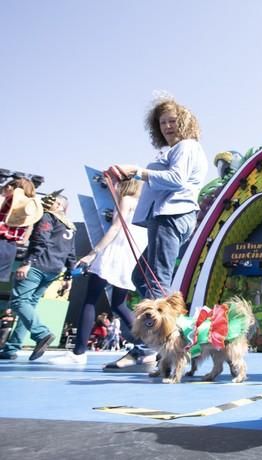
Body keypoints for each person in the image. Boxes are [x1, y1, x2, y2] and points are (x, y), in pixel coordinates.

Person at [102, 96, 208, 372]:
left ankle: (151, 348)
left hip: (171, 216)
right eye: (162, 123)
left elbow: (177, 179)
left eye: (173, 121)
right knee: (141, 277)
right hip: (168, 217)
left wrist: (138, 171)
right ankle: (159, 343)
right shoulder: (177, 150)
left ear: (184, 123)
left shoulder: (186, 147)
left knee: (157, 282)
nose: (167, 127)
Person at [48, 179, 147, 366]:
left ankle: (78, 353)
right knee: (119, 304)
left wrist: (92, 253)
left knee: (90, 299)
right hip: (129, 256)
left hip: (114, 252)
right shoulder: (143, 205)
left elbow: (116, 227)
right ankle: (147, 344)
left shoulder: (125, 199)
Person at [0, 195, 75, 361]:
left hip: (38, 265)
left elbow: (40, 240)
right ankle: (12, 347)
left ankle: (42, 333)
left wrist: (28, 262)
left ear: (58, 205)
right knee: (30, 304)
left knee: (18, 301)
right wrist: (69, 274)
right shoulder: (70, 226)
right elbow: (71, 252)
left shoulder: (48, 217)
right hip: (54, 269)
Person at [0, 178, 43, 282]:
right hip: (10, 248)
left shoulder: (6, 199)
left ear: (10, 187)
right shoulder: (28, 207)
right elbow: (25, 237)